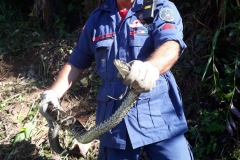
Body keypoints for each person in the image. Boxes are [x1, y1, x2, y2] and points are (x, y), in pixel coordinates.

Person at [40, 0, 194, 159]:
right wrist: (53, 93)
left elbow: (171, 44)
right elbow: (76, 63)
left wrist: (152, 68)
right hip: (114, 127)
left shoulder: (159, 7)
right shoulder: (98, 18)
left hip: (158, 115)